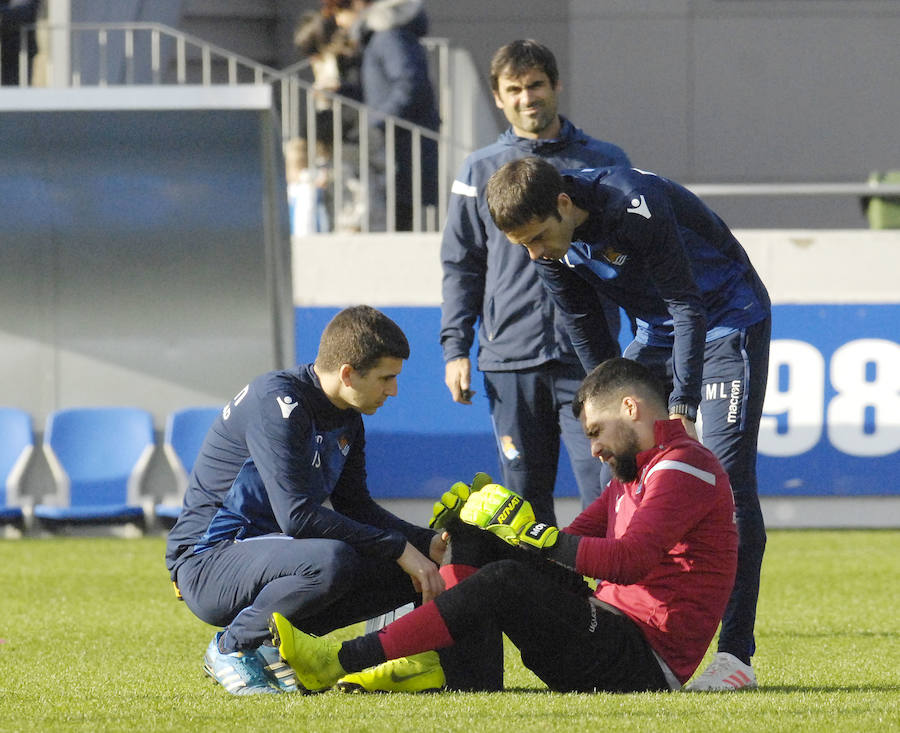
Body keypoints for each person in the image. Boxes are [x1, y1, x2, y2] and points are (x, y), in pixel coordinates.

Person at [267, 357, 739, 694]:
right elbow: (573, 542)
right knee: (469, 530)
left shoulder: (684, 468)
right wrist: (499, 517)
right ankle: (463, 674)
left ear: (631, 409)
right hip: (607, 633)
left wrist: (531, 533)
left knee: (506, 579)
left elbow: (629, 561)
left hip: (641, 663)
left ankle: (340, 661)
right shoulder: (640, 469)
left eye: (595, 431)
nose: (594, 448)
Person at [484, 156, 772, 690]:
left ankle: (735, 656)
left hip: (725, 318)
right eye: (522, 244)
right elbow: (584, 327)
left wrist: (682, 405)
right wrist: (602, 409)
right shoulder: (545, 244)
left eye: (540, 237)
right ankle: (605, 614)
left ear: (565, 205)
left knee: (728, 485)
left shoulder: (631, 202)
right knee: (612, 467)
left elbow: (688, 305)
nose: (535, 253)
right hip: (662, 331)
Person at [165, 305, 446, 696]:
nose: (393, 390)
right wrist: (399, 546)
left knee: (413, 572)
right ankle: (232, 647)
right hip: (208, 562)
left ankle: (292, 651)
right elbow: (297, 516)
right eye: (386, 378)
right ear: (347, 373)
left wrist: (424, 542)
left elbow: (356, 508)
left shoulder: (348, 415)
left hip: (274, 561)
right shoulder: (277, 401)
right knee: (332, 560)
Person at [440, 40, 630, 523]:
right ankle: (536, 602)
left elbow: (632, 261)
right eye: (515, 89)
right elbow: (462, 264)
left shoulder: (605, 160)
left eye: (536, 85)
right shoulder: (478, 169)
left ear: (556, 85)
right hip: (510, 361)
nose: (528, 98)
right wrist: (455, 348)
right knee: (524, 509)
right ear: (498, 97)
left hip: (588, 360)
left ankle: (608, 599)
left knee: (609, 494)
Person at [335, 0, 440, 231]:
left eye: (340, 9)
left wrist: (377, 123)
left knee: (400, 221)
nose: (338, 20)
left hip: (401, 149)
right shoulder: (380, 38)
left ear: (359, 5)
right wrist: (342, 90)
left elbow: (410, 84)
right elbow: (380, 90)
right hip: (395, 147)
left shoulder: (388, 37)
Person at [0, 0, 39, 86]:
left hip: (22, 50)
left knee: (18, 87)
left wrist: (3, 15)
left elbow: (26, 12)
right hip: (5, 49)